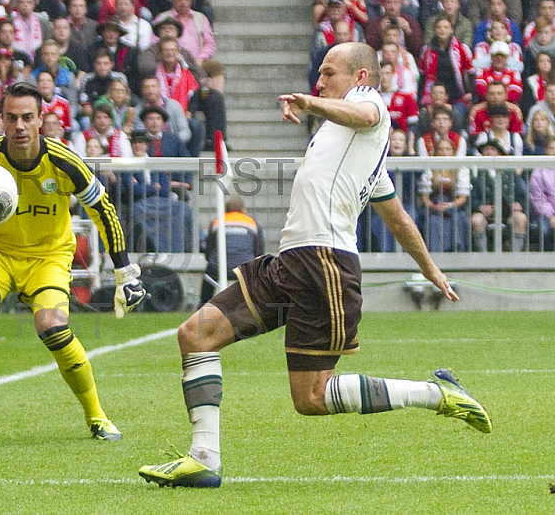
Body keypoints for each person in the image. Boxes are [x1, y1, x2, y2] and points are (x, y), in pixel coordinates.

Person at [138, 42, 491, 489]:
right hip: (292, 260)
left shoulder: (369, 105)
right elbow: (398, 217)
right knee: (195, 334)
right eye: (318, 76)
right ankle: (203, 458)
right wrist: (430, 269)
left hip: (324, 263)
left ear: (359, 78)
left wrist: (308, 102)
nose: (319, 81)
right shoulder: (352, 147)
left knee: (312, 398)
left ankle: (437, 395)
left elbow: (364, 117)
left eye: (328, 73)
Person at [0, 81, 147, 444]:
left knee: (52, 327)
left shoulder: (66, 162)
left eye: (27, 118)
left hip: (47, 256)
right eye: (11, 117)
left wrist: (125, 272)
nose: (19, 126)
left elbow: (103, 211)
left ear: (41, 120)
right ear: (0, 120)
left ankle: (97, 416)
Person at [199, 197, 264, 305]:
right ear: (243, 210)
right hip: (245, 268)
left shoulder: (216, 222)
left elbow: (209, 249)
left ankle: (202, 306)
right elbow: (259, 252)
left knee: (208, 279)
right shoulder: (253, 223)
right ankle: (258, 305)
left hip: (218, 267)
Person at [470, 138, 529, 252]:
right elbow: (472, 197)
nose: (489, 152)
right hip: (487, 213)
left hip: (508, 211)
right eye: (486, 149)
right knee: (476, 220)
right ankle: (484, 257)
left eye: (493, 149)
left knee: (520, 218)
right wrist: (480, 207)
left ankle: (515, 257)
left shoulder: (510, 172)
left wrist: (519, 204)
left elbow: (522, 194)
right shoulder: (476, 173)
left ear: (499, 153)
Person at [418, 138, 471, 252]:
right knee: (433, 221)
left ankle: (457, 251)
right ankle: (435, 253)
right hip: (434, 205)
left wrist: (450, 205)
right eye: (441, 149)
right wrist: (434, 206)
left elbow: (462, 198)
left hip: (455, 205)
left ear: (453, 152)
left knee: (459, 218)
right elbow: (425, 198)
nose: (444, 152)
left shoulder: (460, 169)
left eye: (448, 149)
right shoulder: (430, 170)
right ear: (436, 152)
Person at [152, 0, 216, 65]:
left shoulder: (200, 18)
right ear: (173, 1)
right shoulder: (162, 18)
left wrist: (201, 58)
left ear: (191, 1)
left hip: (197, 63)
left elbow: (210, 43)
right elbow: (154, 42)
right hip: (169, 62)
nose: (183, 3)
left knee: (216, 69)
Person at [529, 137, 555, 250]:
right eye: (551, 148)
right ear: (546, 150)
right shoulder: (538, 171)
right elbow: (538, 198)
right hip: (545, 213)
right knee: (544, 230)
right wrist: (551, 216)